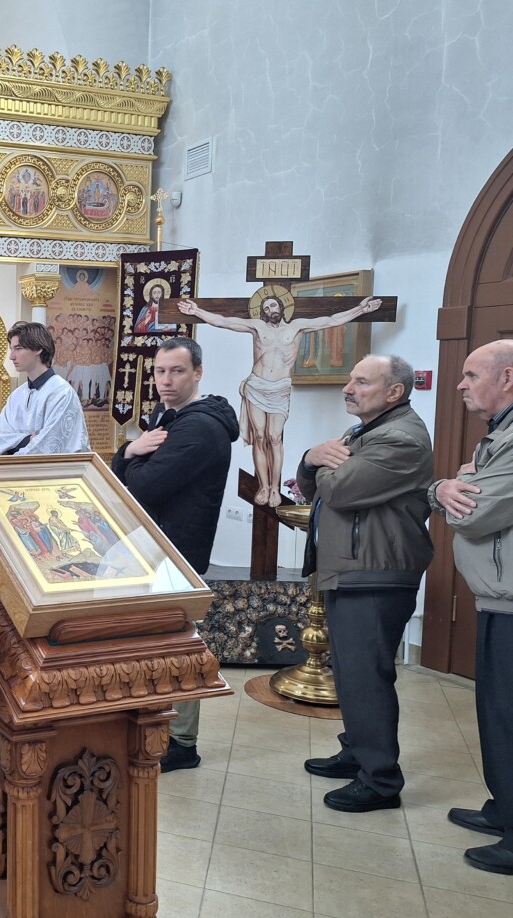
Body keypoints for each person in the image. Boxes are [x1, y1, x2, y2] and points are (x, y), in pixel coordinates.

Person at [297, 354, 433, 812]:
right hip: (352, 569)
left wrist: (322, 461)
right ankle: (357, 752)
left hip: (375, 572)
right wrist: (312, 458)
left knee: (367, 678)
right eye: (350, 380)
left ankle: (380, 780)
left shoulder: (401, 438)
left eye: (361, 381)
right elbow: (314, 486)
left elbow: (339, 490)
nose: (348, 388)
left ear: (394, 392)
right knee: (351, 674)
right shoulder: (365, 432)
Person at [111, 337, 239, 772]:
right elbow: (133, 476)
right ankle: (157, 727)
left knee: (176, 644)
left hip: (177, 550)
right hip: (160, 547)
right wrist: (131, 453)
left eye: (177, 371)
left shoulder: (198, 428)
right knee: (158, 642)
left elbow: (143, 488)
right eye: (160, 371)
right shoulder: (173, 418)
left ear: (198, 373)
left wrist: (129, 455)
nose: (166, 380)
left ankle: (181, 741)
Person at [429, 340, 513, 873]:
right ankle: (504, 808)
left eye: (471, 374)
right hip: (498, 599)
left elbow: (474, 511)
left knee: (509, 716)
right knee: (495, 713)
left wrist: (448, 488)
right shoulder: (499, 435)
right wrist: (449, 484)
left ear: (508, 377)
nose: (460, 384)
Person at [178, 294, 381, 506]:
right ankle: (263, 486)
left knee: (274, 437)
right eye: (266, 308)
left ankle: (275, 487)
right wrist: (196, 311)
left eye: (273, 305)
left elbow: (331, 320)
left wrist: (361, 310)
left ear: (282, 307)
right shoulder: (257, 327)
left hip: (280, 389)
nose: (270, 310)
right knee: (259, 436)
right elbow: (224, 321)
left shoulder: (297, 327)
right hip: (256, 385)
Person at [0, 320, 89, 455]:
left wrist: (17, 445)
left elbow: (50, 445)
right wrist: (28, 439)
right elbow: (0, 438)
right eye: (11, 349)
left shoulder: (62, 393)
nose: (11, 357)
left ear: (38, 349)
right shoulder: (16, 395)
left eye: (18, 348)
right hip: (14, 468)